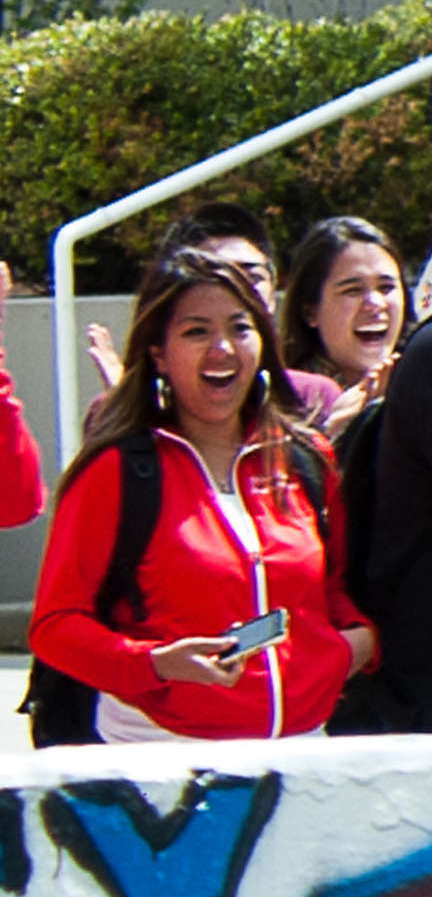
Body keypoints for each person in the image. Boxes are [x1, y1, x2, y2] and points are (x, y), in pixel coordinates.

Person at [26, 237, 360, 739]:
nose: (222, 348)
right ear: (159, 354)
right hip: (159, 760)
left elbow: (336, 592)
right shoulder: (118, 470)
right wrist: (155, 664)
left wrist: (351, 649)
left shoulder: (305, 458)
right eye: (196, 331)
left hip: (300, 758)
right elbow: (55, 627)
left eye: (240, 328)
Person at [275, 217, 412, 419]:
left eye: (386, 288)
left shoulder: (426, 385)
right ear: (310, 311)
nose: (375, 303)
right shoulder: (280, 404)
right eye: (353, 290)